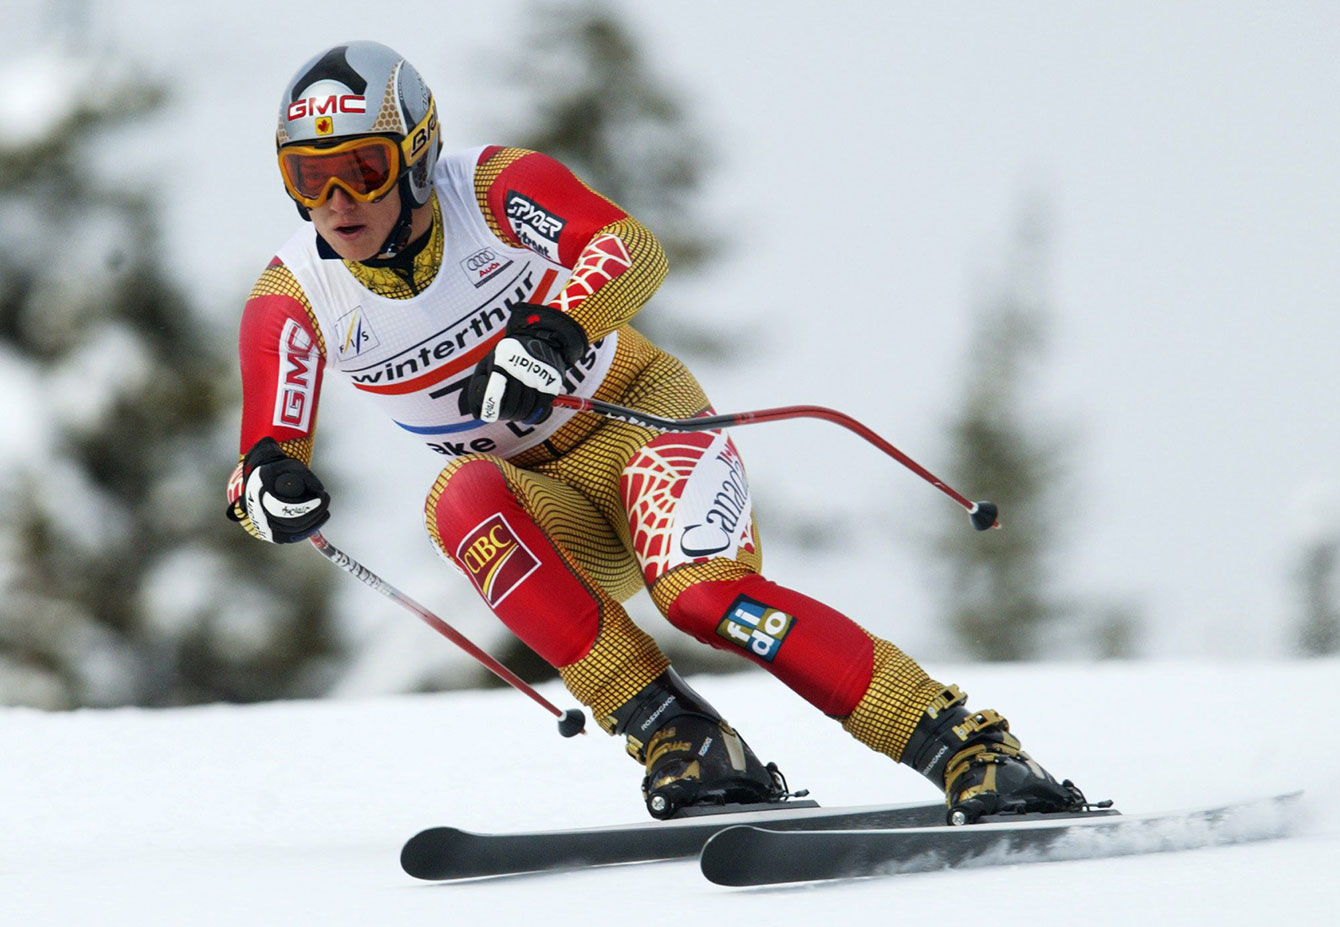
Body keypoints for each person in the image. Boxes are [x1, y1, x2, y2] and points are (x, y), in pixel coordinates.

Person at [228, 40, 1088, 822]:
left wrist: (556, 330)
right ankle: (686, 738)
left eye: (363, 169)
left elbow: (631, 249)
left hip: (640, 422)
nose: (337, 203)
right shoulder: (298, 294)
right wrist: (267, 489)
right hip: (546, 497)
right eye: (308, 179)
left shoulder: (488, 188)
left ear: (418, 155)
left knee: (706, 599)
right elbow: (266, 449)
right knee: (459, 499)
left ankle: (967, 745)